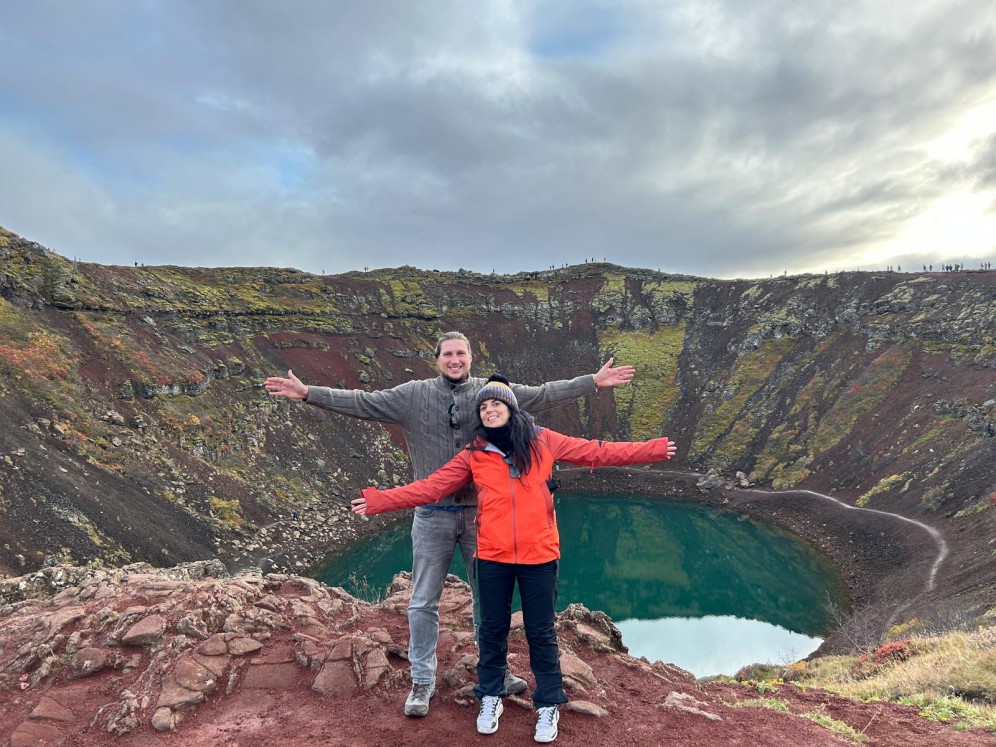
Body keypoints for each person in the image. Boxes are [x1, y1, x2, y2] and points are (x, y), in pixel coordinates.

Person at [263, 332, 635, 718]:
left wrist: (592, 382)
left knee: (487, 599)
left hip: (482, 516)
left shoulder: (491, 394)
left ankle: (495, 673)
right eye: (448, 354)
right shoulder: (412, 394)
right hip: (432, 514)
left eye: (461, 353)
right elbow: (363, 402)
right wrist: (309, 393)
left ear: (471, 357)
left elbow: (542, 394)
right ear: (437, 359)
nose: (454, 360)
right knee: (423, 599)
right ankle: (422, 682)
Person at [351, 375, 676, 742]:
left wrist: (654, 449)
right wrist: (380, 501)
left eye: (497, 405)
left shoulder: (543, 441)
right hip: (493, 556)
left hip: (539, 556)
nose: (490, 410)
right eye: (484, 407)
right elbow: (432, 487)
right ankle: (491, 695)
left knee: (540, 632)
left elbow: (596, 451)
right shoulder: (474, 454)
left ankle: (548, 704)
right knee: (492, 630)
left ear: (511, 408)